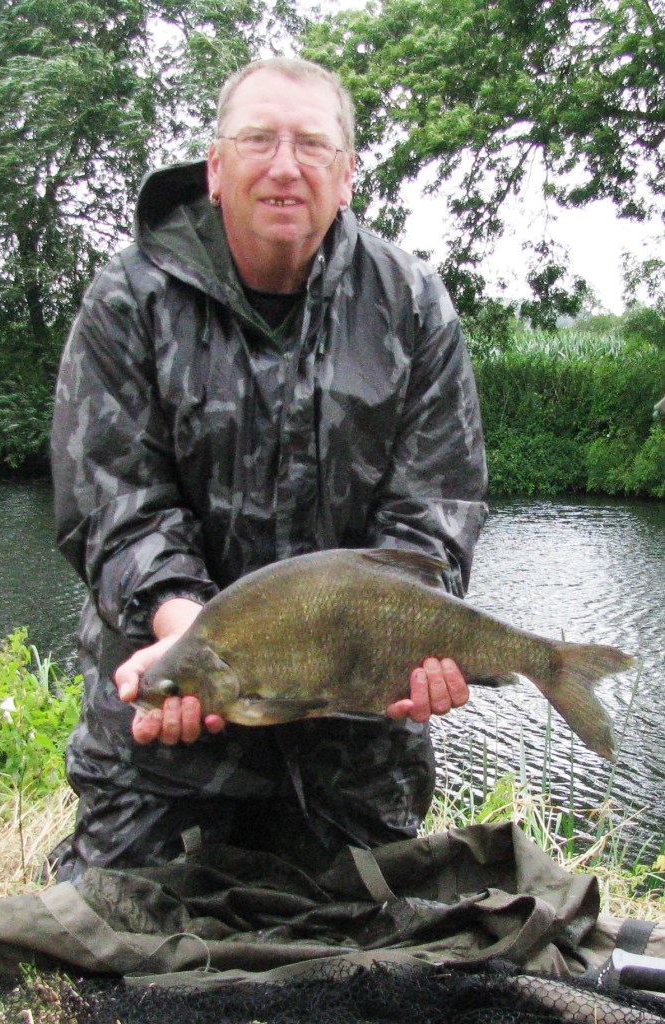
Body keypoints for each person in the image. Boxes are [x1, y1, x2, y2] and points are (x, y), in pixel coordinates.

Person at [49, 57, 488, 881]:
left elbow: (434, 510)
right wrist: (185, 636)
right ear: (215, 167)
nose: (285, 166)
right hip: (167, 711)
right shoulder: (128, 298)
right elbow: (115, 505)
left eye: (311, 145)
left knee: (361, 943)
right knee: (118, 937)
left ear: (346, 175)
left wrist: (421, 631)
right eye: (258, 140)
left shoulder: (411, 303)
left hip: (356, 734)